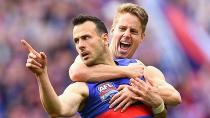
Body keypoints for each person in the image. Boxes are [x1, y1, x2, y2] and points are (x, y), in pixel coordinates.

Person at [22, 15, 166, 118]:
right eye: (76, 41)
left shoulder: (136, 68)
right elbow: (57, 110)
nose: (80, 45)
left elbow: (173, 99)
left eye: (86, 38)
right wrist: (42, 75)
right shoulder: (82, 87)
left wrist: (156, 103)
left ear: (104, 38)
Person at [69, 3, 181, 111]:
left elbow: (174, 96)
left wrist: (136, 92)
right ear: (112, 30)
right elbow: (76, 72)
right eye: (122, 28)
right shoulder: (93, 56)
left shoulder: (142, 70)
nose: (127, 34)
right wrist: (126, 71)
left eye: (133, 31)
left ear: (142, 37)